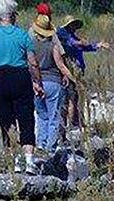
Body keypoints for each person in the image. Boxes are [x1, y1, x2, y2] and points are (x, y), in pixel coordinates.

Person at [0, 0, 44, 174]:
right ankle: (29, 161)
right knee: (26, 118)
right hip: (20, 77)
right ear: (13, 15)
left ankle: (14, 160)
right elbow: (32, 62)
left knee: (6, 119)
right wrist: (38, 82)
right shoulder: (23, 35)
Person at [56, 16, 109, 130]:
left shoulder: (71, 35)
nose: (74, 27)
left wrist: (97, 45)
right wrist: (81, 42)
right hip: (70, 71)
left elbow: (84, 47)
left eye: (75, 24)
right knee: (70, 98)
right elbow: (73, 44)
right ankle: (71, 125)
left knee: (75, 97)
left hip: (77, 71)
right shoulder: (63, 35)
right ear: (68, 25)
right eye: (73, 24)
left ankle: (75, 121)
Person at [29, 12, 73, 152]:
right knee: (53, 115)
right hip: (53, 81)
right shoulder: (53, 44)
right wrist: (73, 78)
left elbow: (30, 64)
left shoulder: (30, 45)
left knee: (42, 115)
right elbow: (60, 65)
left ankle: (41, 142)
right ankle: (51, 146)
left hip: (36, 82)